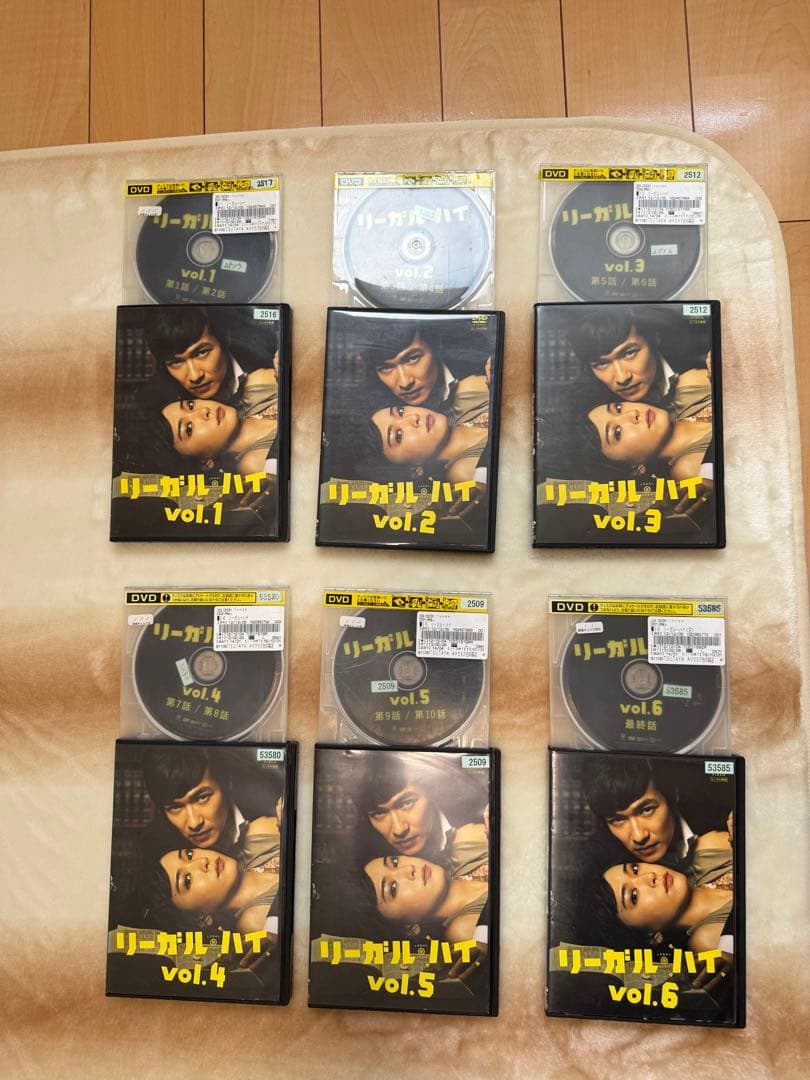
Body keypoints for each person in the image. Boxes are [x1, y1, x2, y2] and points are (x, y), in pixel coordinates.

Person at [597, 824, 733, 955]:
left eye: (635, 869)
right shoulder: (707, 941)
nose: (649, 876)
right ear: (651, 936)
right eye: (633, 896)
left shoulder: (707, 848)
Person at [144, 814, 281, 935]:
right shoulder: (254, 923)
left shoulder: (257, 834)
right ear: (199, 919)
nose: (203, 861)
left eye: (189, 855)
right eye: (187, 880)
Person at [362, 822, 488, 945]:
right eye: (393, 888)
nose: (409, 868)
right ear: (408, 929)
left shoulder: (465, 841)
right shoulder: (463, 931)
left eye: (395, 862)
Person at [142, 745, 280, 855]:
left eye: (202, 798)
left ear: (226, 782)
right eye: (175, 807)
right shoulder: (159, 853)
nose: (194, 823)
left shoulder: (273, 814)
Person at [142, 306, 277, 404]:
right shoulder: (161, 404)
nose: (195, 376)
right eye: (176, 362)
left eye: (202, 353)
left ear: (224, 339)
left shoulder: (269, 361)